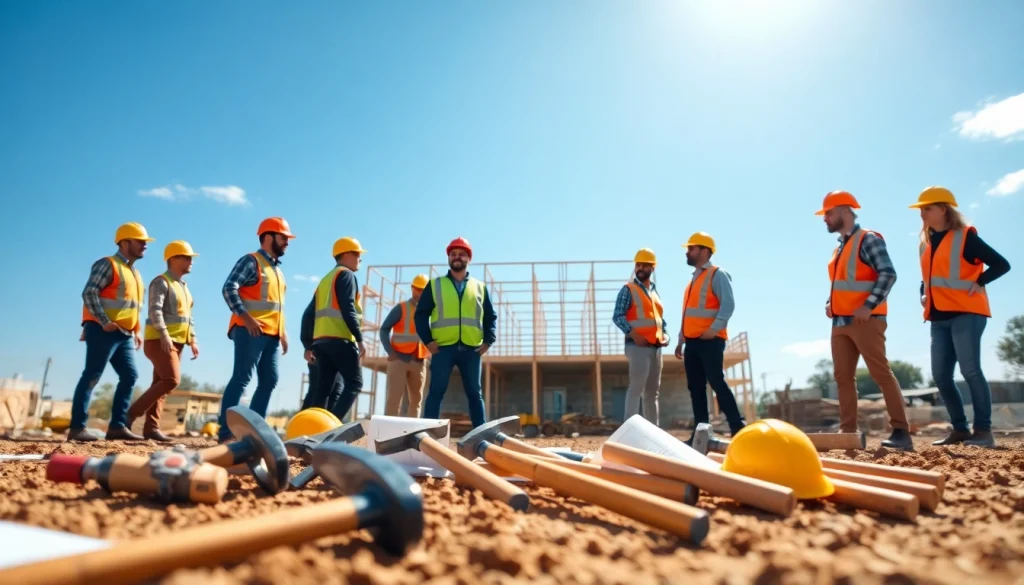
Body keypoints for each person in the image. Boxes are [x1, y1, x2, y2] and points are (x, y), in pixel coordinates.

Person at [911, 186, 1011, 448]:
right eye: (921, 209)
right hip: (938, 318)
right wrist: (923, 292)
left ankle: (983, 432)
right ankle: (960, 429)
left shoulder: (965, 237)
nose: (922, 213)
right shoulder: (926, 243)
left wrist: (981, 281)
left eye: (927, 208)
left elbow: (1001, 264)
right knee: (941, 376)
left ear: (944, 209)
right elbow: (927, 278)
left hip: (967, 313)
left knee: (970, 371)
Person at [819, 191, 913, 450]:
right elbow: (842, 283)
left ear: (845, 211)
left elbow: (888, 274)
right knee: (842, 378)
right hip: (839, 322)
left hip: (866, 320)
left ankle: (901, 432)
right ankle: (847, 431)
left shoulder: (867, 239)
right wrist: (830, 303)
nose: (824, 218)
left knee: (880, 373)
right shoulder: (839, 247)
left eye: (828, 213)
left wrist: (869, 305)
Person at [69, 222, 153, 442]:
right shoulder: (108, 264)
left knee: (130, 375)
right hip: (103, 330)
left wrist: (137, 331)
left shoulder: (135, 273)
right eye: (140, 241)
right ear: (125, 242)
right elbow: (89, 293)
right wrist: (103, 321)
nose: (145, 245)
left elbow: (133, 306)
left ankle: (116, 427)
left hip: (124, 334)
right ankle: (77, 428)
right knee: (93, 375)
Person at [218, 217, 293, 443]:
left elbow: (275, 306)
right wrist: (245, 317)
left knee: (269, 380)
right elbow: (229, 287)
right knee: (242, 377)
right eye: (283, 237)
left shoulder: (277, 270)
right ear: (269, 237)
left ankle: (254, 433)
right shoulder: (251, 261)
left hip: (271, 333)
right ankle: (226, 432)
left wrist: (283, 331)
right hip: (249, 331)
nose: (287, 242)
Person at [415, 237, 497, 429]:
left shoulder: (479, 287)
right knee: (436, 392)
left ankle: (480, 434)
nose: (456, 257)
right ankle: (428, 435)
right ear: (449, 258)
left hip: (471, 349)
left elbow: (490, 317)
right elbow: (421, 315)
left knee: (475, 393)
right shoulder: (435, 285)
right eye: (453, 254)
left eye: (461, 254)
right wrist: (428, 341)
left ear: (468, 258)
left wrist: (488, 340)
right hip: (443, 348)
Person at [673, 232, 746, 437]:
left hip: (711, 340)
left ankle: (737, 427)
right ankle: (701, 434)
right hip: (692, 342)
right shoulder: (693, 280)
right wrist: (681, 339)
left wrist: (713, 329)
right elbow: (688, 313)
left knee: (716, 381)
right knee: (695, 388)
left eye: (691, 249)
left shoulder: (717, 274)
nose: (687, 253)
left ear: (704, 251)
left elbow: (728, 304)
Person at [126, 240, 200, 442]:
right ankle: (130, 415)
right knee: (171, 380)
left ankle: (151, 428)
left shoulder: (184, 287)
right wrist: (165, 335)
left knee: (161, 384)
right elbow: (154, 311)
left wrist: (192, 338)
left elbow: (187, 317)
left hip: (177, 341)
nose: (191, 261)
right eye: (187, 257)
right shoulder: (161, 282)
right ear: (173, 258)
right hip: (160, 340)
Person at [308, 237, 367, 421]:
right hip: (340, 338)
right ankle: (332, 426)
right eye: (358, 254)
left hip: (321, 340)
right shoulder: (346, 275)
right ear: (347, 254)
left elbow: (309, 313)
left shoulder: (325, 280)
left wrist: (309, 344)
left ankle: (315, 430)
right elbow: (348, 307)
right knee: (355, 383)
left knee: (323, 389)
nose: (360, 259)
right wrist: (359, 338)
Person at [612, 248, 669, 426]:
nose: (640, 268)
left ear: (653, 267)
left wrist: (665, 335)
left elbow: (661, 321)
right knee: (636, 389)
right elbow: (618, 316)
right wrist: (635, 335)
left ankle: (654, 432)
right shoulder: (628, 289)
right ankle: (630, 431)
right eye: (638, 264)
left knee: (653, 393)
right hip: (637, 347)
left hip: (656, 348)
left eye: (645, 265)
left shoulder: (654, 292)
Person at [379, 274, 430, 417]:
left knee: (417, 401)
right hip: (399, 359)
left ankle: (412, 435)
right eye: (418, 289)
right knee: (393, 400)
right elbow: (384, 329)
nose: (421, 293)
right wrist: (390, 352)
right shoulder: (401, 308)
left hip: (419, 361)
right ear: (413, 289)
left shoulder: (429, 312)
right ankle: (389, 434)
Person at [299, 297, 343, 412]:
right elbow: (307, 316)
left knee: (336, 391)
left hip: (339, 351)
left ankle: (327, 426)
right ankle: (304, 424)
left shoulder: (347, 294)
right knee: (317, 391)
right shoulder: (325, 292)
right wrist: (308, 346)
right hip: (320, 350)